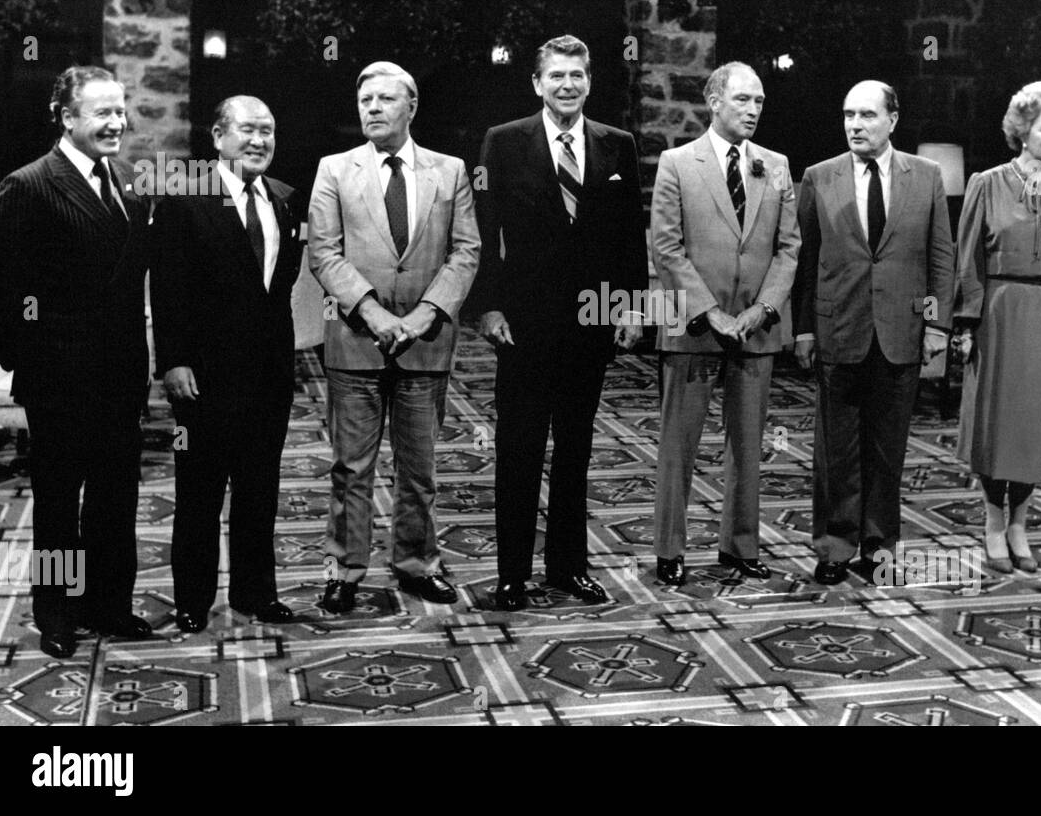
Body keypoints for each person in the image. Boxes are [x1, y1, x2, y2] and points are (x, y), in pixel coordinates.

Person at [0, 66, 152, 658]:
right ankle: (56, 611)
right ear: (67, 117)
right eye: (102, 112)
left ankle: (107, 603)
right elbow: (5, 293)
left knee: (115, 498)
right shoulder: (28, 185)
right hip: (60, 382)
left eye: (120, 110)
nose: (116, 122)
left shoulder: (129, 181)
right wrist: (33, 364)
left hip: (120, 377)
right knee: (58, 504)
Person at [476, 35, 646, 610]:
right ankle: (511, 576)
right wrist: (489, 306)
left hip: (590, 325)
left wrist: (632, 305)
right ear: (537, 83)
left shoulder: (617, 145)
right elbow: (483, 233)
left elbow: (630, 238)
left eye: (577, 75)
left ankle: (569, 568)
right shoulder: (503, 143)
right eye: (556, 76)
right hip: (522, 324)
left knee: (576, 450)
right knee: (518, 448)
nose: (567, 85)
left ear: (590, 82)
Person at [309, 61, 480, 613]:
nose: (373, 109)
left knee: (420, 470)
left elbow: (466, 250)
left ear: (411, 107)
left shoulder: (450, 171)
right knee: (351, 468)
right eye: (366, 101)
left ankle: (416, 565)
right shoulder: (333, 169)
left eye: (385, 100)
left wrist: (428, 312)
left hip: (425, 343)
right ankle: (345, 570)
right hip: (356, 342)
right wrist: (374, 314)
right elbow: (324, 252)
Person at [150, 96, 305, 633]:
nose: (259, 140)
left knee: (260, 489)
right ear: (218, 137)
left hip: (269, 376)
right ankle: (193, 599)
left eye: (268, 130)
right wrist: (172, 361)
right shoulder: (183, 198)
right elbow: (166, 285)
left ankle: (255, 592)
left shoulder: (284, 199)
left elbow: (278, 291)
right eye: (247, 130)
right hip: (204, 377)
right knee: (199, 491)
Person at [792, 80, 954, 585]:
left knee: (888, 449)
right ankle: (835, 545)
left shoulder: (927, 176)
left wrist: (936, 324)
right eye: (848, 115)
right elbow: (806, 260)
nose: (855, 125)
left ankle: (879, 545)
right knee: (837, 449)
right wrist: (803, 332)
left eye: (866, 115)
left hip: (901, 332)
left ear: (893, 120)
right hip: (839, 330)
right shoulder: (819, 177)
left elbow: (940, 258)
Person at [651, 61, 799, 587]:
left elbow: (789, 247)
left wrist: (763, 308)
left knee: (749, 446)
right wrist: (710, 312)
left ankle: (740, 547)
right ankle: (669, 550)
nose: (753, 110)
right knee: (679, 445)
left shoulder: (776, 164)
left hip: (755, 329)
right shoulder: (676, 162)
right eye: (743, 100)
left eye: (759, 101)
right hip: (694, 327)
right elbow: (666, 247)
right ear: (715, 101)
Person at [953, 82, 1041, 575]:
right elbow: (967, 259)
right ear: (1022, 131)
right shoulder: (986, 184)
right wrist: (965, 323)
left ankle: (1020, 525)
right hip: (1000, 313)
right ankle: (993, 522)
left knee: (1036, 427)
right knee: (997, 426)